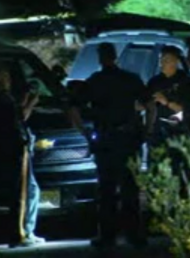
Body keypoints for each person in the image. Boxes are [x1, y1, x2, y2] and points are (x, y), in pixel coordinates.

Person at [69, 42, 149, 249]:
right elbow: (150, 104)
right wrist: (147, 129)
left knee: (107, 190)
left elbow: (73, 107)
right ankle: (134, 234)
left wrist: (85, 132)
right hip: (128, 139)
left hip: (106, 140)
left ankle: (108, 236)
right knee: (130, 188)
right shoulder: (131, 79)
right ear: (116, 56)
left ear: (101, 58)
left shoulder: (95, 81)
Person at [0, 63, 45, 248]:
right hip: (17, 148)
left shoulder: (6, 98)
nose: (8, 81)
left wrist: (26, 98)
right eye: (4, 77)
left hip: (19, 147)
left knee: (31, 189)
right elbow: (19, 117)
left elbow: (18, 113)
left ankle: (27, 230)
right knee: (22, 192)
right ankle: (19, 234)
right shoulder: (2, 99)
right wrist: (32, 103)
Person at [144, 45, 190, 145]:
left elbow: (185, 110)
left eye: (167, 60)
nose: (162, 64)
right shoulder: (155, 82)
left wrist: (166, 102)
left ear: (176, 61)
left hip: (178, 131)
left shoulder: (184, 81)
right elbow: (148, 105)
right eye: (161, 60)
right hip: (158, 131)